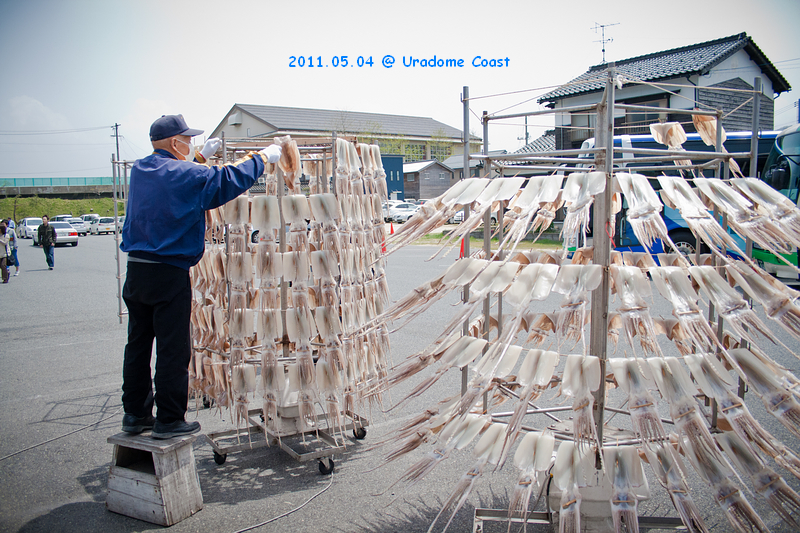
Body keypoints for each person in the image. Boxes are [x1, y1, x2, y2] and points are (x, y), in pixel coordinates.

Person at [120, 114, 281, 439]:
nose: (190, 143)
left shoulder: (141, 170)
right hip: (168, 273)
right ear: (174, 142)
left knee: (137, 344)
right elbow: (223, 181)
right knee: (172, 347)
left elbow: (176, 177)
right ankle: (168, 420)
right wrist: (263, 158)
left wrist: (200, 157)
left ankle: (135, 414)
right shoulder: (184, 172)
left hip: (137, 270)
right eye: (187, 139)